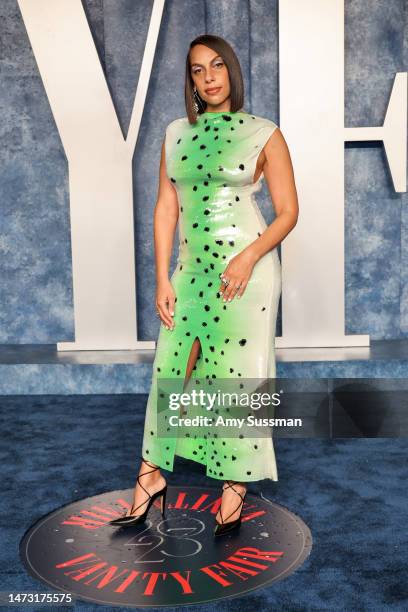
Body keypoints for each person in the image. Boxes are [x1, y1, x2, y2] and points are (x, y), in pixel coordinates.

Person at [109, 34, 298, 536]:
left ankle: (233, 488)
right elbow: (166, 206)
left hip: (247, 272)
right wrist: (161, 277)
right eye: (197, 70)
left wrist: (248, 258)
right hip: (191, 274)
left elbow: (288, 213)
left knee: (236, 377)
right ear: (190, 80)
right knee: (172, 367)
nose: (209, 76)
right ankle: (150, 479)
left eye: (216, 66)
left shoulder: (265, 134)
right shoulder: (175, 133)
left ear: (231, 70)